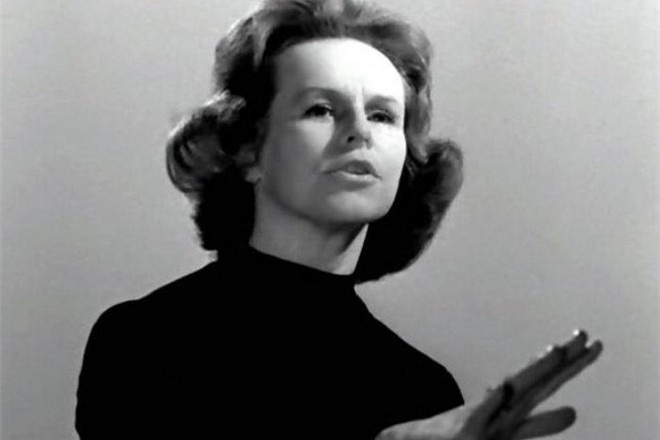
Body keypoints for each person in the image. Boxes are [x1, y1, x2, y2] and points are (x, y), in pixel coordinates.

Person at [75, 0, 602, 439]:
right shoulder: (143, 340)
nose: (359, 132)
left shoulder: (424, 390)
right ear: (249, 150)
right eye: (321, 110)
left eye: (383, 115)